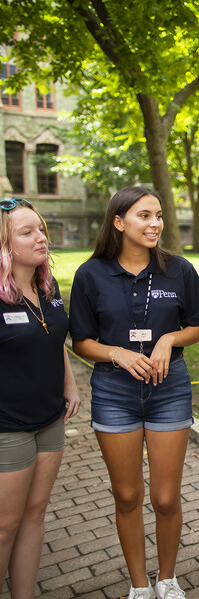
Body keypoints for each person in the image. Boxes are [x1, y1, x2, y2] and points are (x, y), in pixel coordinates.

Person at [69, 186, 199, 599]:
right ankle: (140, 585)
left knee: (166, 497)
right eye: (144, 216)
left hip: (168, 389)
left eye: (159, 216)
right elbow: (80, 340)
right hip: (114, 391)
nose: (155, 224)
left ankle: (167, 578)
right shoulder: (90, 274)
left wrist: (168, 340)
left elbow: (198, 326)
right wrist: (116, 354)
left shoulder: (178, 270)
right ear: (118, 221)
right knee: (127, 495)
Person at [0, 198, 80, 597]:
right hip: (8, 426)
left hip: (50, 420)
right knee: (4, 526)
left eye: (42, 229)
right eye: (27, 232)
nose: (41, 237)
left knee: (34, 515)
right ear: (4, 244)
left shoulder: (47, 286)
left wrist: (70, 384)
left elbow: (52, 336)